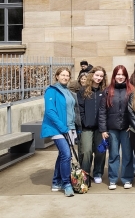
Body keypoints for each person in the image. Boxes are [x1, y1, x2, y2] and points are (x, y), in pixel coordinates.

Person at [41, 67, 79, 197]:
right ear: (57, 76)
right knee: (67, 155)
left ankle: (56, 181)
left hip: (70, 127)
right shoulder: (51, 91)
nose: (65, 77)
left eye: (67, 75)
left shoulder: (67, 91)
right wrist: (62, 128)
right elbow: (50, 111)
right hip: (57, 128)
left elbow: (72, 110)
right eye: (62, 75)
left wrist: (74, 127)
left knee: (63, 155)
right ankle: (66, 184)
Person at [98, 65, 134, 190]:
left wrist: (133, 125)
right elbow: (102, 111)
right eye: (118, 74)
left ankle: (127, 179)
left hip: (127, 129)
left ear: (126, 76)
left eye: (122, 74)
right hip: (112, 129)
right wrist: (103, 129)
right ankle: (113, 179)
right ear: (114, 75)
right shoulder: (108, 91)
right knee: (113, 155)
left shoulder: (131, 90)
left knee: (128, 155)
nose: (120, 77)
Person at [77, 66, 108, 184]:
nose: (99, 78)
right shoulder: (83, 91)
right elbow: (80, 109)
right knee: (86, 151)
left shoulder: (105, 91)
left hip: (101, 128)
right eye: (97, 75)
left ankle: (98, 173)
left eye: (101, 76)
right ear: (92, 75)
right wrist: (84, 122)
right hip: (87, 127)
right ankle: (85, 174)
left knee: (100, 151)